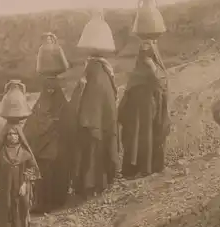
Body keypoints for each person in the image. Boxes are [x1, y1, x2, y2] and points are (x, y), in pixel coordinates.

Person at [118, 38, 170, 179]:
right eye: (142, 48)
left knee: (146, 136)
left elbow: (160, 84)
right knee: (134, 137)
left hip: (148, 106)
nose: (144, 51)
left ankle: (146, 168)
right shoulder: (139, 65)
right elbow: (131, 86)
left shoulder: (154, 66)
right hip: (135, 108)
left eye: (147, 47)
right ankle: (133, 169)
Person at [69, 53, 119, 198]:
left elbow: (78, 100)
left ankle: (87, 187)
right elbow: (110, 102)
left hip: (89, 124)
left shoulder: (90, 75)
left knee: (89, 154)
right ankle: (100, 185)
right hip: (101, 125)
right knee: (99, 153)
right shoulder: (106, 75)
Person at [23, 76, 72, 212]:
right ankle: (44, 204)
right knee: (44, 175)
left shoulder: (63, 106)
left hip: (56, 149)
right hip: (44, 150)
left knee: (55, 173)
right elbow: (30, 126)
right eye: (47, 89)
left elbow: (69, 126)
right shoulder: (39, 106)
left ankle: (56, 200)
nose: (50, 91)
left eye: (52, 89)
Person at [0, 120, 40, 227]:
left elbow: (32, 169)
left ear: (19, 136)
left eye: (15, 134)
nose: (12, 137)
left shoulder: (25, 153)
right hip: (3, 188)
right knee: (5, 207)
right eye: (9, 134)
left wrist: (25, 184)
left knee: (19, 207)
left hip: (20, 187)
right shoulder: (1, 153)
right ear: (5, 136)